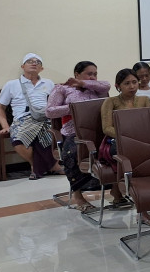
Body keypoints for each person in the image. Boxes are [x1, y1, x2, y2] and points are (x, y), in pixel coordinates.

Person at [46, 61, 110, 208]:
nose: (93, 77)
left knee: (116, 148)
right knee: (74, 152)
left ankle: (116, 193)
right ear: (76, 74)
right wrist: (73, 108)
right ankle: (78, 196)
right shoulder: (62, 88)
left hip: (98, 132)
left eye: (95, 74)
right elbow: (49, 111)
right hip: (74, 133)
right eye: (89, 73)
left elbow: (106, 86)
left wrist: (84, 83)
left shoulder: (97, 89)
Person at [0, 54, 61, 180]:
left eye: (38, 62)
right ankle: (52, 166)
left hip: (45, 119)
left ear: (41, 68)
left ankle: (37, 168)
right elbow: (0, 108)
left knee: (49, 134)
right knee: (18, 139)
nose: (34, 63)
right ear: (22, 66)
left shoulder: (48, 83)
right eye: (30, 61)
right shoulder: (12, 84)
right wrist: (5, 126)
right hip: (22, 119)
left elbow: (55, 103)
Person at [99, 69, 150, 217]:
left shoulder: (144, 100)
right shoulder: (110, 102)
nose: (132, 86)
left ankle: (146, 192)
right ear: (118, 86)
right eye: (127, 83)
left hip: (142, 139)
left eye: (134, 82)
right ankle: (132, 191)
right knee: (130, 152)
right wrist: (127, 137)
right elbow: (106, 128)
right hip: (116, 140)